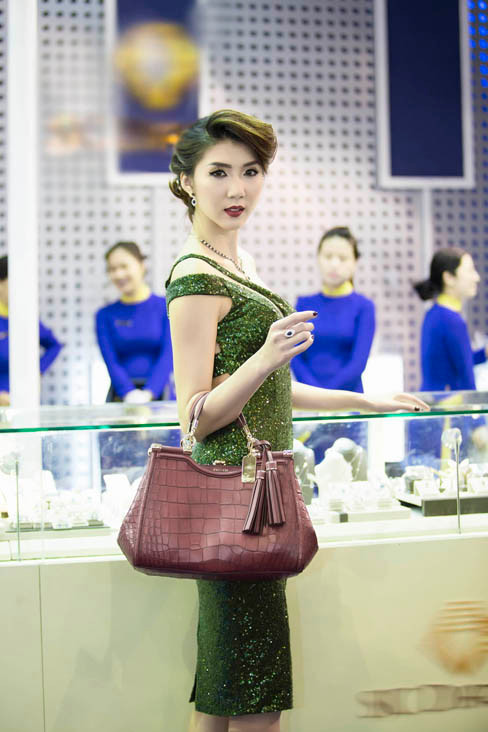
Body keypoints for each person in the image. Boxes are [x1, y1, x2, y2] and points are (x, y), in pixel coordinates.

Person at [165, 108, 428, 732]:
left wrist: (363, 402)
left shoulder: (238, 263)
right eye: (219, 172)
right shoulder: (195, 277)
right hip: (236, 502)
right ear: (187, 182)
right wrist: (264, 357)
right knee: (255, 694)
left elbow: (272, 393)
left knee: (227, 688)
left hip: (258, 498)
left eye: (251, 171)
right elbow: (195, 417)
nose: (237, 188)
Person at [291, 226, 375, 392]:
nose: (334, 264)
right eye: (328, 256)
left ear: (355, 262)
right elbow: (295, 356)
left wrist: (326, 395)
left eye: (343, 258)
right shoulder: (303, 304)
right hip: (309, 399)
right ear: (318, 258)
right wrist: (316, 394)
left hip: (349, 399)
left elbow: (358, 364)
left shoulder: (364, 307)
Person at [95, 241, 174, 403]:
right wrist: (128, 393)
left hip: (163, 397)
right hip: (121, 398)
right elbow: (111, 360)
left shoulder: (166, 307)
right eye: (112, 269)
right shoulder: (105, 315)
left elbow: (169, 355)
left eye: (124, 266)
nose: (118, 274)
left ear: (141, 266)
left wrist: (150, 393)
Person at [413, 247, 488, 391]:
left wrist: (484, 353)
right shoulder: (451, 320)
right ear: (448, 278)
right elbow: (465, 377)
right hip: (447, 402)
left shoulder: (436, 314)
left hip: (436, 400)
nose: (476, 277)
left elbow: (457, 363)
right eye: (470, 271)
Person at [0, 255, 63, 405]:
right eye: (15, 283)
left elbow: (54, 345)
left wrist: (37, 372)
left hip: (23, 400)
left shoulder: (25, 319)